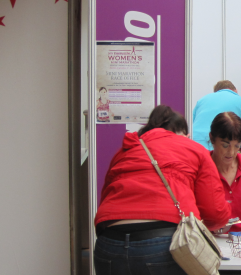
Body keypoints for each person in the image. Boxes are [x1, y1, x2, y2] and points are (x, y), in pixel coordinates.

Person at [94, 105, 230, 275]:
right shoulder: (194, 149)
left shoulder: (125, 151)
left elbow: (106, 198)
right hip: (163, 244)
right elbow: (216, 213)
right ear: (181, 132)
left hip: (109, 244)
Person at [193, 80, 241, 150]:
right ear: (236, 90)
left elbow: (189, 126)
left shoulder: (201, 101)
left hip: (193, 147)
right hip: (218, 151)